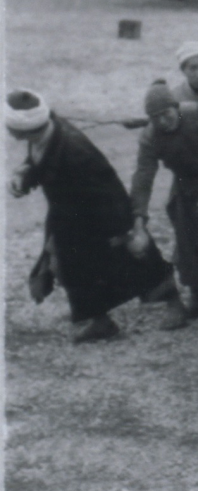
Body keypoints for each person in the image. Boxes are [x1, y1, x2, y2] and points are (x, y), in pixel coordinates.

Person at [7, 90, 181, 342]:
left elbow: (107, 191)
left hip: (100, 213)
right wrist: (24, 175)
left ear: (26, 130)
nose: (9, 132)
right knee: (72, 267)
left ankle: (175, 304)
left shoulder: (75, 151)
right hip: (67, 214)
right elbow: (38, 159)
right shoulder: (44, 129)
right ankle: (100, 322)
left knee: (136, 254)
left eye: (12, 128)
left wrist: (124, 232)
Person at [129, 81, 198, 320]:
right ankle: (197, 293)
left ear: (175, 107)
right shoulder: (150, 136)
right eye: (155, 117)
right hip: (185, 184)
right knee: (187, 238)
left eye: (166, 114)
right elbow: (143, 175)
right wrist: (139, 217)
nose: (162, 121)